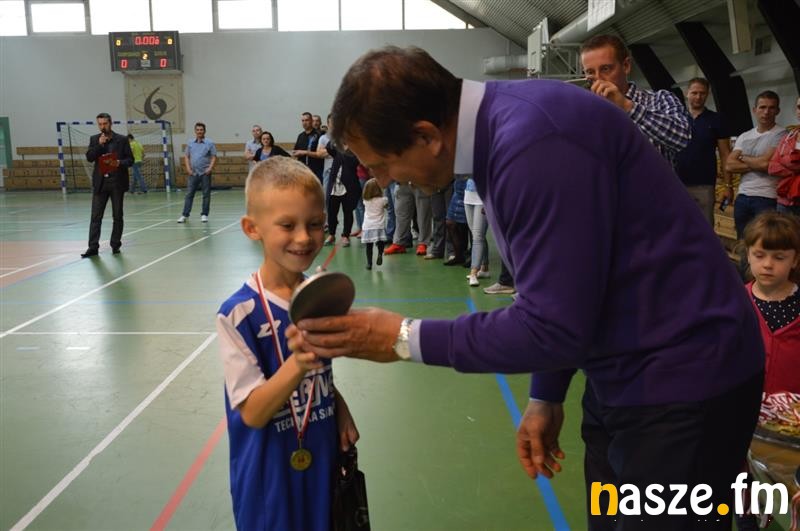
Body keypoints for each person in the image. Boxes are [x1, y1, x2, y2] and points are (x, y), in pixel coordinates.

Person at [286, 46, 765, 530]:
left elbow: (552, 326)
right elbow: (566, 281)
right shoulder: (504, 132)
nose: (384, 179)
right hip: (623, 375)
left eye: (382, 164)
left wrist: (401, 337)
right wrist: (546, 393)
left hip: (686, 382)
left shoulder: (534, 144)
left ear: (427, 136)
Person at [216, 157, 359, 531]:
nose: (304, 238)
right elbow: (252, 412)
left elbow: (320, 373)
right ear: (252, 228)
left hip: (322, 456)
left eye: (315, 224)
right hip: (269, 475)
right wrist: (298, 362)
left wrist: (338, 404)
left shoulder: (317, 295)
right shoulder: (239, 314)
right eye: (287, 225)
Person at [737, 212, 800, 530]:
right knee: (745, 495)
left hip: (793, 434)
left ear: (795, 259)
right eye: (759, 255)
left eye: (779, 257)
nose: (768, 265)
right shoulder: (735, 304)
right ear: (747, 253)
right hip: (743, 423)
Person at [580, 34, 691, 168]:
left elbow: (682, 138)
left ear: (626, 66)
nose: (598, 79)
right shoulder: (583, 112)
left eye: (605, 69)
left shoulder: (659, 99)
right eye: (590, 72)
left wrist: (627, 106)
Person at [725, 91, 786, 238]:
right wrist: (758, 162)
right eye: (762, 107)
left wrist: (743, 157)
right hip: (743, 196)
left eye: (771, 108)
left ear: (777, 111)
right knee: (742, 241)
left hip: (767, 197)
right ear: (755, 110)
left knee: (764, 240)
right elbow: (729, 165)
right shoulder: (745, 136)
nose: (766, 112)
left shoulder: (782, 134)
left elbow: (765, 164)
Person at [674, 78, 734, 225]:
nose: (698, 97)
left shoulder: (717, 120)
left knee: (704, 227)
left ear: (708, 94)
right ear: (686, 93)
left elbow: (725, 154)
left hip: (704, 184)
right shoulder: (676, 118)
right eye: (694, 93)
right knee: (677, 226)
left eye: (702, 93)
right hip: (676, 182)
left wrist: (728, 186)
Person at [81, 112, 133, 258]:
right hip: (101, 183)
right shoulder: (94, 139)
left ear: (111, 123)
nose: (102, 126)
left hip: (117, 183)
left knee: (117, 215)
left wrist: (119, 163)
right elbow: (90, 157)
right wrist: (99, 145)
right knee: (95, 217)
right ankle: (93, 247)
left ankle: (115, 245)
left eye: (105, 123)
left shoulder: (122, 140)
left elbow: (130, 160)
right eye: (100, 124)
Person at [178, 122, 217, 224]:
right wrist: (188, 168)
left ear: (204, 131)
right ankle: (185, 215)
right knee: (189, 194)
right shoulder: (190, 143)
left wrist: (210, 168)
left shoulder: (209, 143)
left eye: (201, 130)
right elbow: (186, 156)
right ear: (195, 131)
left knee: (206, 194)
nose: (199, 131)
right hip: (193, 173)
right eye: (198, 130)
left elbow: (213, 157)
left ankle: (204, 214)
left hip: (205, 173)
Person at [768, 96, 800, 216]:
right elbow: (772, 167)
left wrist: (785, 162)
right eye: (799, 107)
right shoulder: (788, 137)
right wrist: (795, 167)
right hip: (785, 201)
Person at [360, 178, 389, 270]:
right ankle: (380, 253)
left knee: (369, 246)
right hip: (379, 225)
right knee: (380, 242)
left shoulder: (366, 201)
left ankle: (369, 263)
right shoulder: (383, 200)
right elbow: (387, 206)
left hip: (368, 226)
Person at [292, 112, 325, 183]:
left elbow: (321, 154)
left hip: (316, 171)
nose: (304, 123)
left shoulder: (319, 135)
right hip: (303, 170)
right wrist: (295, 153)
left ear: (311, 121)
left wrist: (305, 152)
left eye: (306, 120)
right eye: (303, 121)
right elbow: (295, 151)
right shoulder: (300, 136)